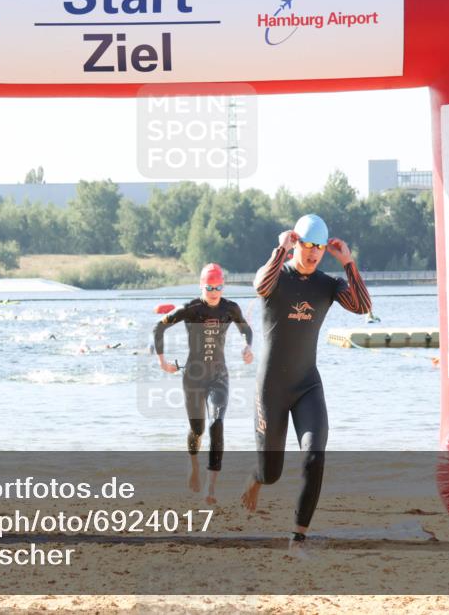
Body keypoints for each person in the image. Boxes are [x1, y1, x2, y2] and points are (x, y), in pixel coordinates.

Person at [241, 214, 372, 556]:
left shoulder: (327, 285)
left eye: (319, 247)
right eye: (307, 245)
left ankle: (298, 536)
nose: (313, 253)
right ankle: (256, 478)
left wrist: (349, 264)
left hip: (306, 386)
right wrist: (279, 251)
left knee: (315, 455)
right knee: (272, 473)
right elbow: (259, 287)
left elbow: (363, 306)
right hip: (270, 388)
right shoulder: (277, 277)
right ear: (296, 242)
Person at [153, 263, 253, 504]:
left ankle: (211, 489)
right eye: (209, 286)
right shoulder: (191, 309)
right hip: (193, 378)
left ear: (223, 286)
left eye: (218, 286)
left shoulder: (231, 308)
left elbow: (246, 330)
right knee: (198, 429)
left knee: (217, 423)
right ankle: (193, 464)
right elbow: (159, 328)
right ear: (201, 285)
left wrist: (247, 347)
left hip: (219, 376)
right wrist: (162, 361)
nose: (213, 291)